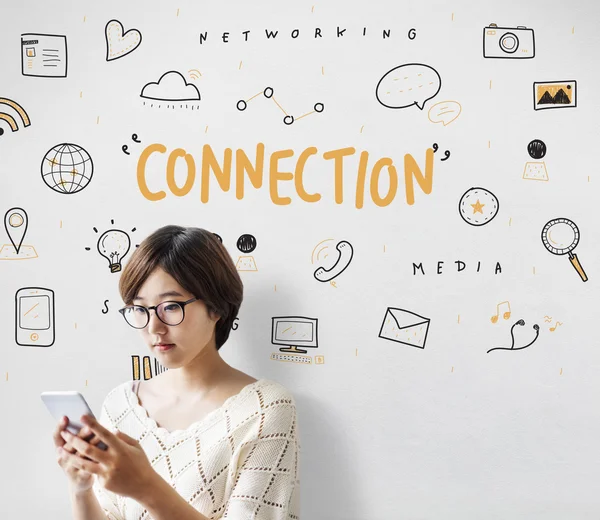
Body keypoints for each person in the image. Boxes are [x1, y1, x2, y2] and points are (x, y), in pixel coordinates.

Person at [52, 225, 301, 519]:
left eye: (170, 307)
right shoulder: (121, 405)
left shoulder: (265, 409)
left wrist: (146, 486)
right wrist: (80, 488)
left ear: (217, 306)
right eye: (140, 309)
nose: (153, 327)